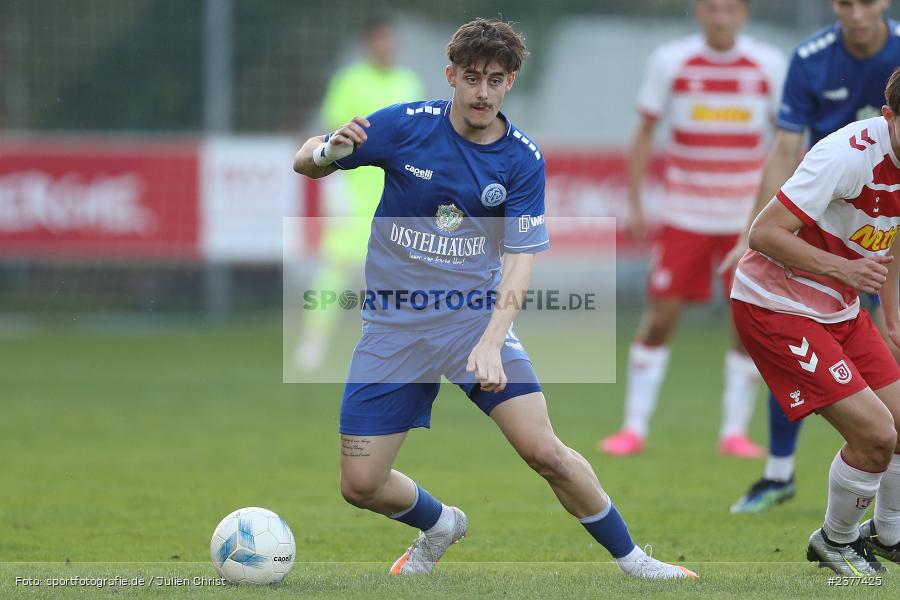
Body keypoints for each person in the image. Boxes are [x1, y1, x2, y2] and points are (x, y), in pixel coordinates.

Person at [293, 19, 697, 580]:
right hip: (392, 329)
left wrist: (490, 341)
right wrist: (328, 151)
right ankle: (440, 524)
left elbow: (521, 259)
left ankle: (636, 563)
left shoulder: (521, 161)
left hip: (472, 325)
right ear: (451, 76)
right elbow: (305, 160)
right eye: (473, 78)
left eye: (496, 80)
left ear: (511, 82)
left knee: (543, 451)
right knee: (359, 485)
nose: (483, 92)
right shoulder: (405, 125)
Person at [727, 0, 900, 514]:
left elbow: (892, 235)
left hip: (848, 279)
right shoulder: (814, 67)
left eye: (867, 0)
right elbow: (785, 151)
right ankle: (788, 481)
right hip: (799, 271)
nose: (857, 12)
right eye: (846, 2)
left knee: (888, 428)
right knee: (871, 428)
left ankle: (888, 535)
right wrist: (748, 232)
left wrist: (892, 311)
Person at [599, 0, 785, 457]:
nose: (721, 18)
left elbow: (786, 144)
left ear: (744, 14)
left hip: (745, 221)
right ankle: (634, 427)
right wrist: (638, 203)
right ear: (699, 12)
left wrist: (780, 213)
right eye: (712, 9)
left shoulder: (768, 64)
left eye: (730, 10)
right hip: (684, 216)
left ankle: (734, 432)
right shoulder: (671, 61)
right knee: (660, 319)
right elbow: (643, 133)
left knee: (745, 322)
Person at [293, 16, 423, 371]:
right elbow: (329, 135)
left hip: (393, 197)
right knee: (334, 270)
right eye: (379, 40)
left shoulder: (408, 82)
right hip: (353, 194)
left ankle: (403, 346)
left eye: (390, 40)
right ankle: (313, 343)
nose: (386, 46)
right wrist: (333, 186)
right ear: (369, 43)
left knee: (400, 273)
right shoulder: (349, 80)